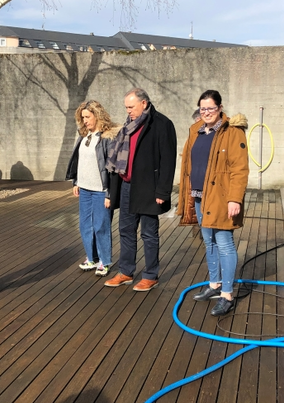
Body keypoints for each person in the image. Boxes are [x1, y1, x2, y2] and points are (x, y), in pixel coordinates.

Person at [177, 89, 249, 316]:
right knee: (209, 242)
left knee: (225, 243)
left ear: (220, 108)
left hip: (220, 198)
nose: (206, 112)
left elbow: (240, 169)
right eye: (202, 108)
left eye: (211, 108)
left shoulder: (233, 133)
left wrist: (234, 198)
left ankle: (227, 294)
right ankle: (214, 284)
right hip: (199, 196)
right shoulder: (195, 131)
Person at [104, 88, 177, 291]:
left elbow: (168, 161)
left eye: (131, 107)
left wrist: (163, 192)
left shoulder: (162, 124)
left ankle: (150, 275)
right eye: (126, 107)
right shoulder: (128, 126)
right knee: (126, 230)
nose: (128, 111)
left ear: (144, 103)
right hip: (127, 186)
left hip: (149, 189)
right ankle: (126, 272)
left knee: (148, 233)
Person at [65, 101, 119, 277]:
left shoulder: (107, 138)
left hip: (101, 191)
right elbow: (80, 161)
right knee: (85, 225)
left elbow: (112, 169)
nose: (85, 121)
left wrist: (110, 193)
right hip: (85, 189)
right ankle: (92, 258)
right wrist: (76, 182)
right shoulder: (84, 135)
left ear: (97, 115)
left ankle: (105, 260)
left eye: (88, 117)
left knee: (101, 226)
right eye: (83, 118)